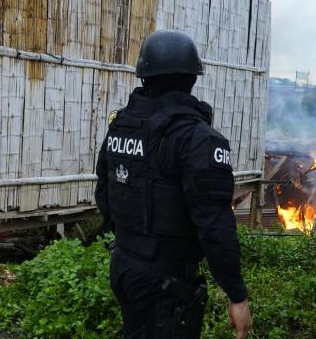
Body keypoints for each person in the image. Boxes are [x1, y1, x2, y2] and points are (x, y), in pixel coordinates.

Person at [95, 30, 252, 339]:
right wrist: (237, 295)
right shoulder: (197, 138)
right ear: (192, 78)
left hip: (124, 265)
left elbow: (104, 194)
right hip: (164, 280)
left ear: (144, 76)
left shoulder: (122, 125)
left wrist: (136, 238)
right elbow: (215, 227)